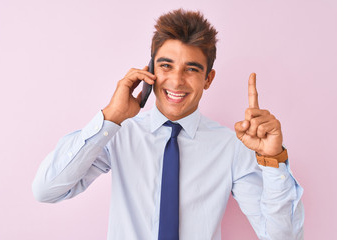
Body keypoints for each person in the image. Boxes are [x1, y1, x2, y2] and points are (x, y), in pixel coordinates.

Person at [32, 9, 304, 240]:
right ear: (151, 70)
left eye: (191, 69)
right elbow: (47, 190)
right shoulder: (119, 133)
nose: (176, 81)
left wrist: (272, 160)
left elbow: (281, 236)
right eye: (166, 66)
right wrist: (111, 117)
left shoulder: (230, 146)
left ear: (208, 79)